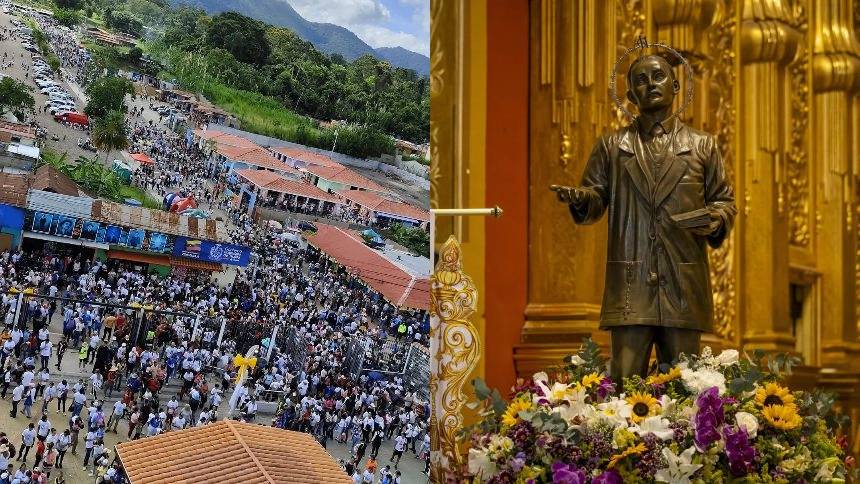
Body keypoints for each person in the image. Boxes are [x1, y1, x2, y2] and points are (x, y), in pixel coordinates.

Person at [550, 46, 736, 382]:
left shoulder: (702, 145)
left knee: (685, 389)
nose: (650, 84)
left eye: (658, 76)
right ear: (631, 94)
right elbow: (596, 198)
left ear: (675, 86)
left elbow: (724, 201)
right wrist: (580, 197)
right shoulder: (612, 146)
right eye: (640, 80)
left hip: (682, 281)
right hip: (630, 284)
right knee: (624, 385)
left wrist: (717, 219)